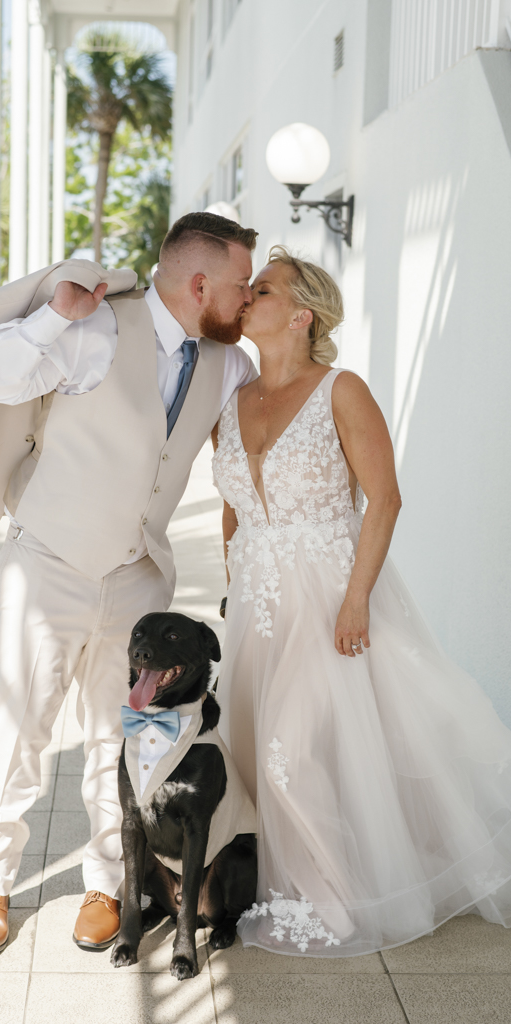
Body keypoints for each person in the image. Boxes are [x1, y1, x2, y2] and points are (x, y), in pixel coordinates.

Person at [0, 212, 259, 956]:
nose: (248, 298)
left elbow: (253, 453)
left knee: (122, 733)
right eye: (240, 285)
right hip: (48, 563)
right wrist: (53, 320)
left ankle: (105, 881)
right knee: (19, 727)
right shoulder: (97, 325)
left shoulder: (230, 365)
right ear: (200, 284)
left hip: (138, 577)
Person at [211, 244, 511, 957]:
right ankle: (302, 877)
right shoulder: (233, 398)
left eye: (264, 288)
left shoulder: (340, 389)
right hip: (256, 599)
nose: (247, 295)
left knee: (291, 750)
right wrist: (231, 584)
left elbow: (384, 499)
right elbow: (231, 508)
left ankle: (334, 903)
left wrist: (355, 600)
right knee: (257, 749)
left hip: (328, 594)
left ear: (300, 315)